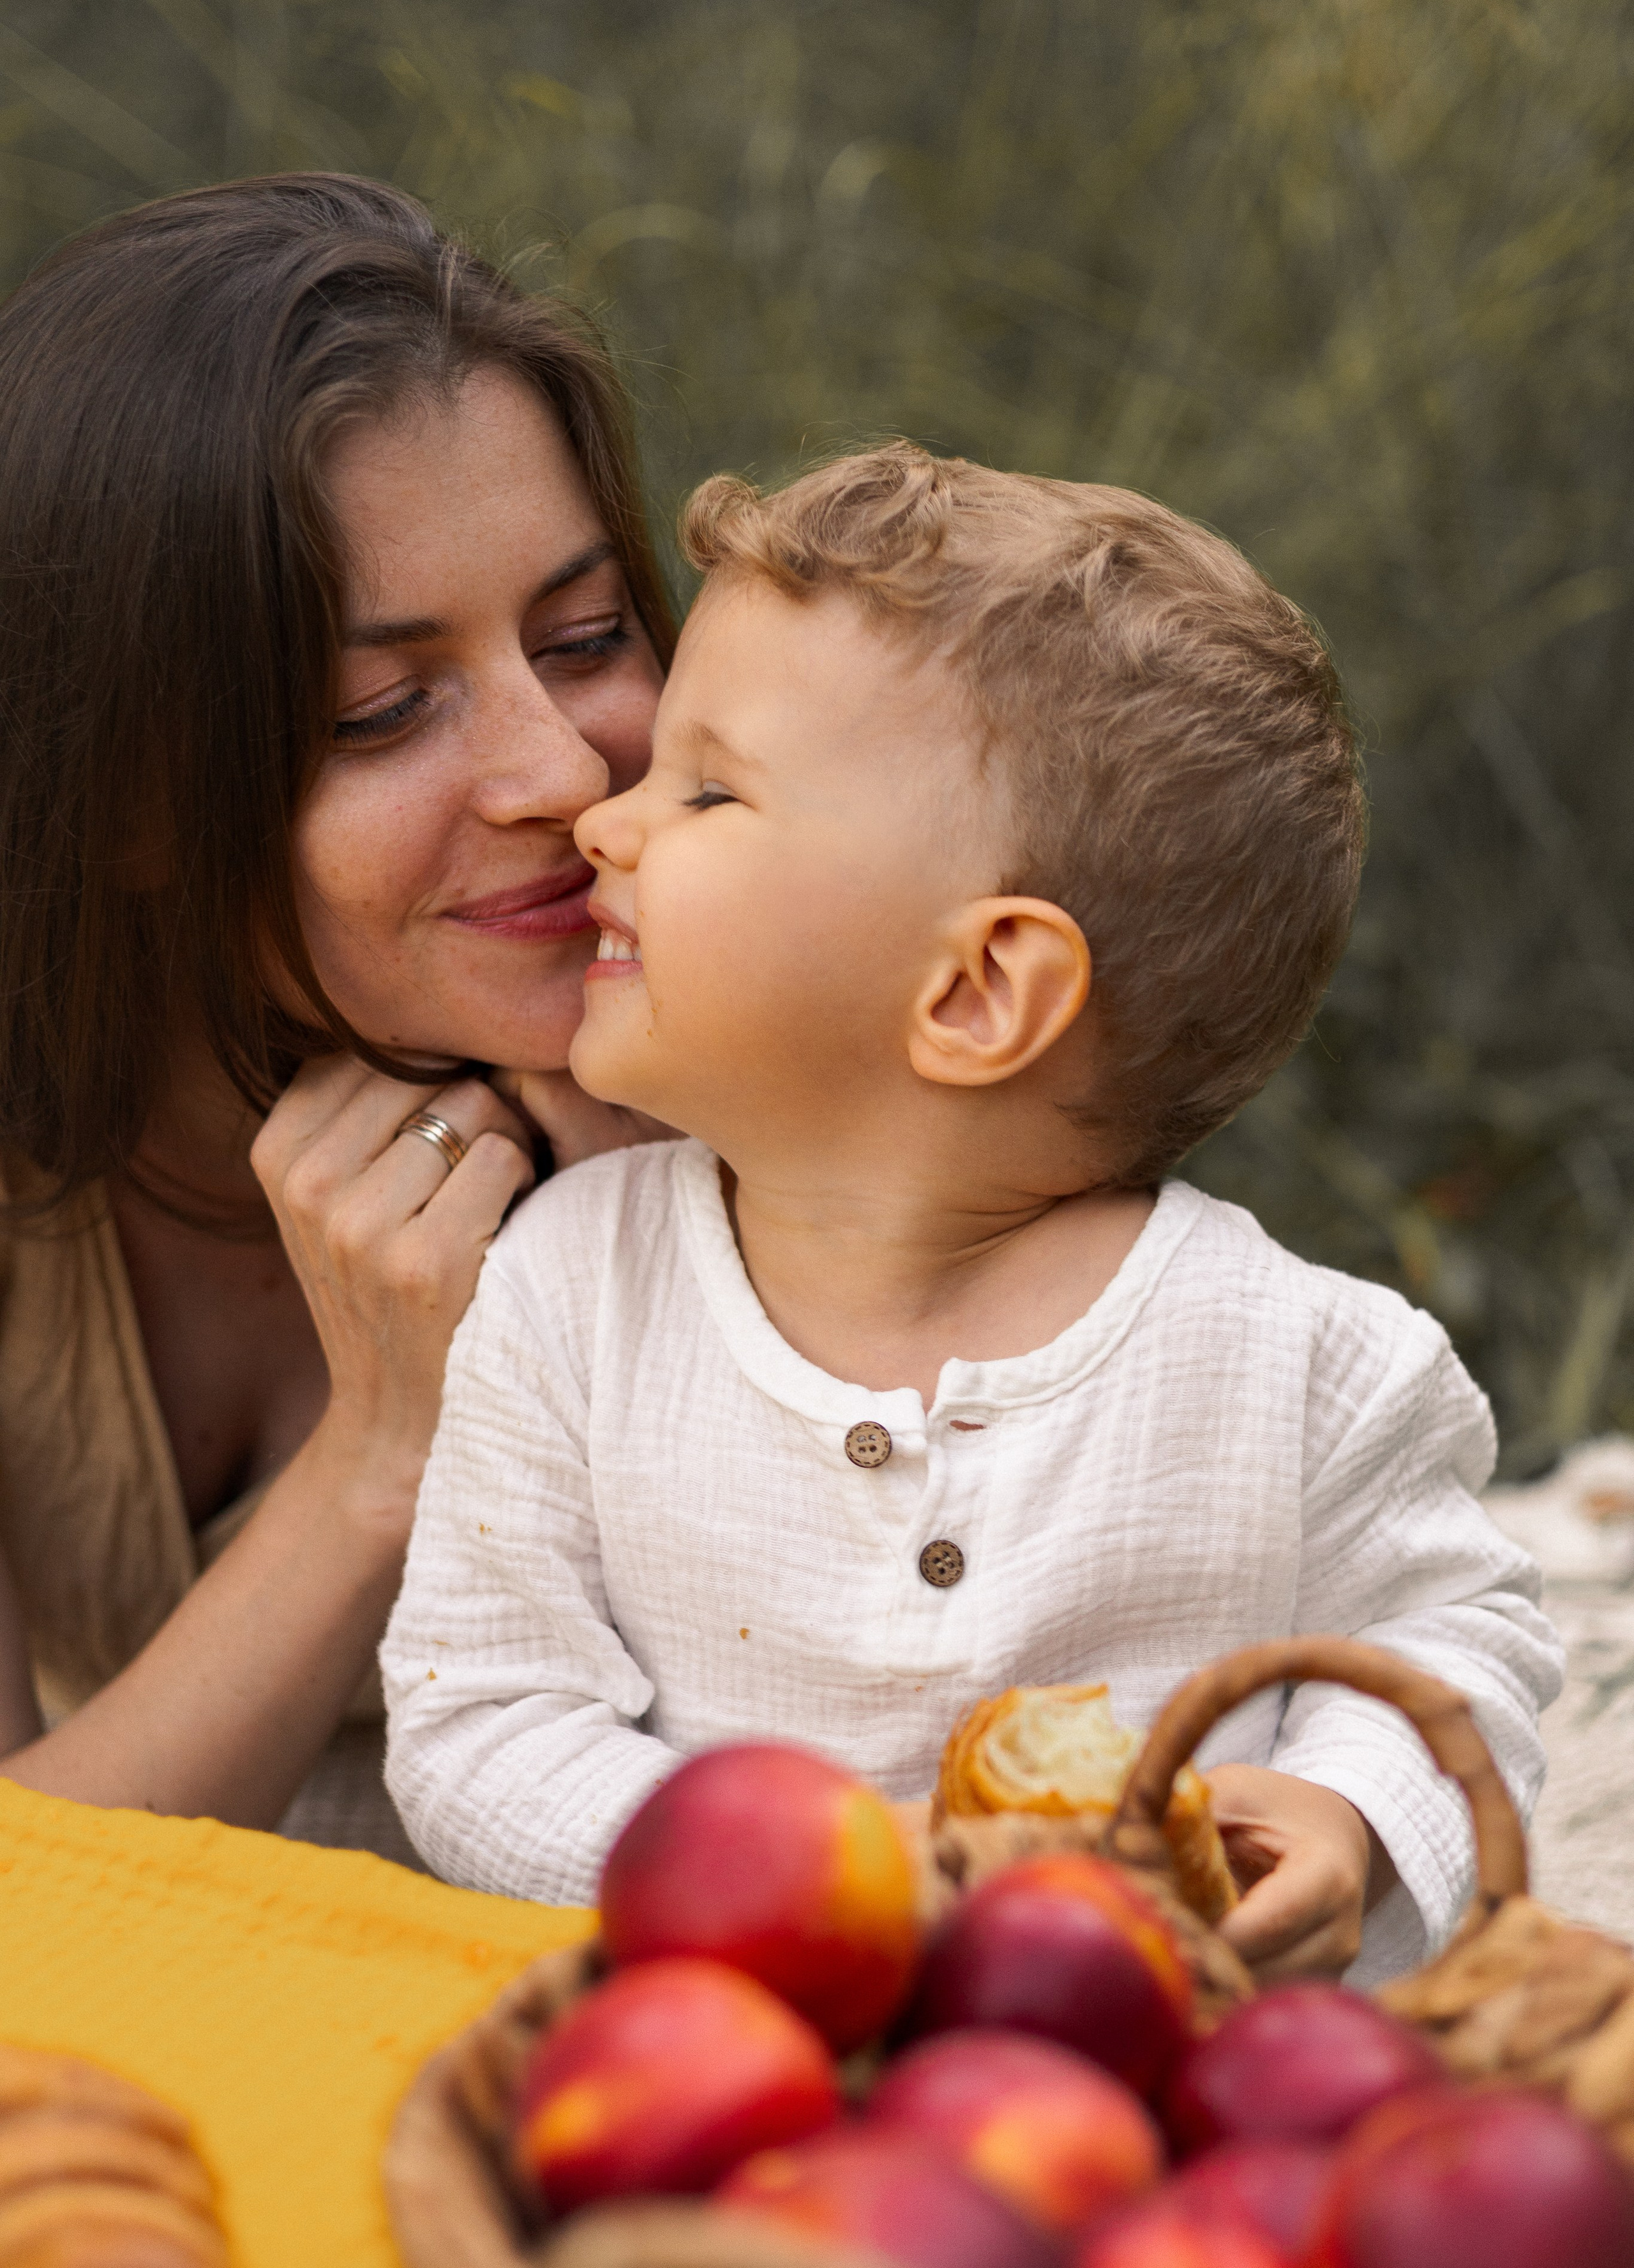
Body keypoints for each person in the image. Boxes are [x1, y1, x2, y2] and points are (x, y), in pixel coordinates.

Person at [382, 444, 1561, 1980]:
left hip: (1162, 2074)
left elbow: (1455, 1648)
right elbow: (484, 1719)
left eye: (710, 789)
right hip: (739, 2062)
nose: (607, 820)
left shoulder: (1302, 1364)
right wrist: (786, 1889)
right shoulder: (569, 1295)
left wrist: (1346, 1816)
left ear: (975, 989)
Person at [0, 174, 674, 1854]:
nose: (562, 768)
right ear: (133, 795)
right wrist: (384, 1448)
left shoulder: (752, 1064)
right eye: (385, 711)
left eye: (585, 635)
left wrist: (706, 1258)